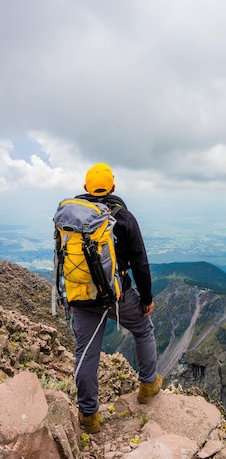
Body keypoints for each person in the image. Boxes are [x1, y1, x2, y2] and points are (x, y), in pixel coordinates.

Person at [71, 162, 162, 434]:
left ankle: (89, 417)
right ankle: (148, 386)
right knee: (144, 329)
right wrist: (146, 298)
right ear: (113, 186)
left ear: (86, 187)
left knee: (86, 352)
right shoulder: (123, 217)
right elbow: (140, 262)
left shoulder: (72, 216)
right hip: (116, 294)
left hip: (81, 294)